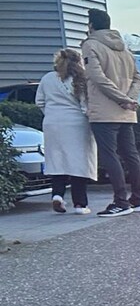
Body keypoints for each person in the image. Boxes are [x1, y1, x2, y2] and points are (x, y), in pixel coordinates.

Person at [82, 8, 140, 217]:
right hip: (127, 112)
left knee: (110, 155)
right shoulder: (125, 49)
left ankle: (120, 202)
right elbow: (138, 79)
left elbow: (97, 78)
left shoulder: (90, 45)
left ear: (91, 25)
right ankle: (137, 199)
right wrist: (130, 99)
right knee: (130, 154)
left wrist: (122, 99)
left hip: (104, 111)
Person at [35, 49, 99, 214]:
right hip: (76, 124)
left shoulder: (47, 78)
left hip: (52, 123)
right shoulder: (79, 79)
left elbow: (39, 101)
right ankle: (80, 204)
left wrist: (50, 114)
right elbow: (85, 106)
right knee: (79, 163)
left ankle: (57, 195)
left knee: (58, 161)